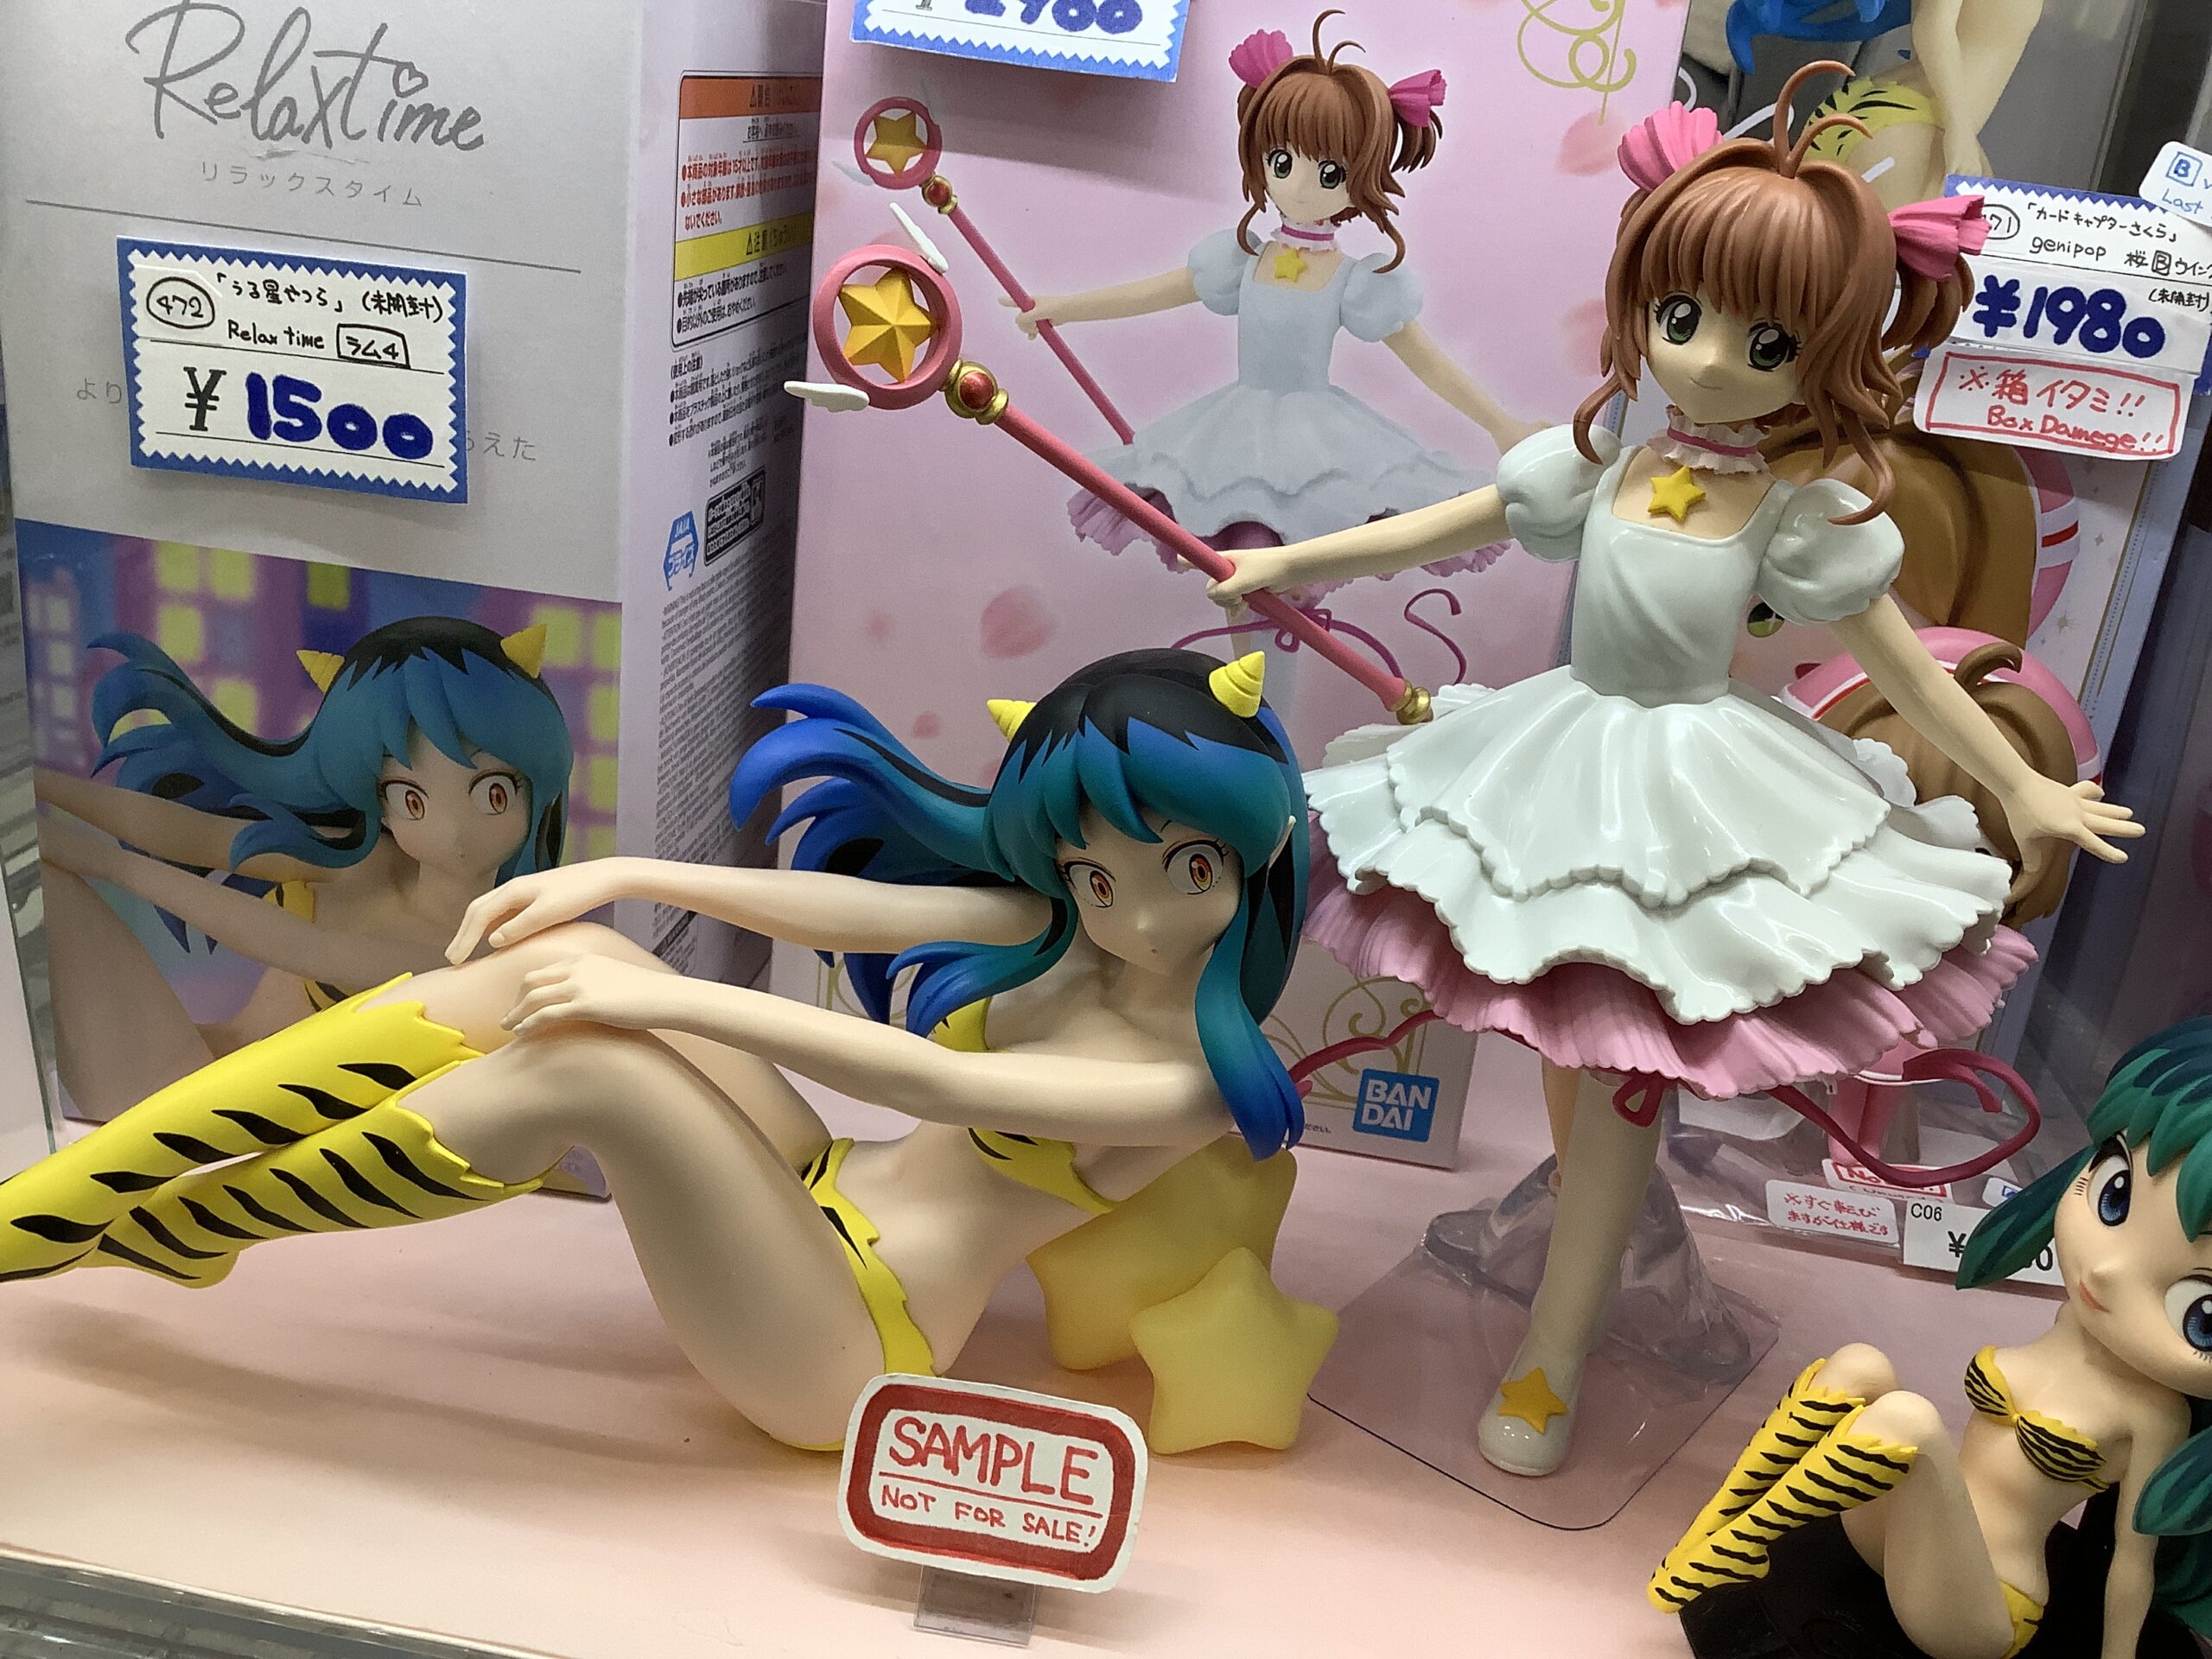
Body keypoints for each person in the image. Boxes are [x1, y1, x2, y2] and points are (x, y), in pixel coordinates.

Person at [1206, 68, 2139, 1476]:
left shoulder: (1804, 514)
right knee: (1579, 1042)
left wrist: (2021, 788)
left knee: (1632, 1075)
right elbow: (1442, 527)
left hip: (1702, 790)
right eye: (1680, 318)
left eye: (1765, 341)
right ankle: (1587, 1247)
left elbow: (1907, 670)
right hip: (1563, 756)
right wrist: (1287, 562)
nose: (1705, 363)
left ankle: (1555, 1354)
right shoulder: (1602, 463)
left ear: (1823, 353)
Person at [0, 650, 1309, 1452]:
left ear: (1256, 859)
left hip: (854, 1336)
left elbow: (945, 1081)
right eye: (1097, 872)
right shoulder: (1069, 933)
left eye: (1187, 870)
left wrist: (682, 1007)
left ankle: (134, 1226)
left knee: (599, 1057)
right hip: (820, 1188)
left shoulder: (1203, 1080)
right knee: (576, 963)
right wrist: (623, 879)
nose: (1136, 915)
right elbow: (847, 911)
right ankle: (105, 1200)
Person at [1655, 1019, 2212, 1659]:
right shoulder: (2070, 1323)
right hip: (1897, 1538)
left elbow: (2132, 1567)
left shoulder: (2156, 1416)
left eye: (2201, 1308)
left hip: (1981, 1603)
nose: (2108, 1273)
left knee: (1912, 1422)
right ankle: (1713, 1543)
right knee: (1861, 1366)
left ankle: (1728, 1552)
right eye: (2114, 1194)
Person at [34, 617, 571, 1120]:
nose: (453, 831)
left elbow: (302, 947)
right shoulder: (366, 860)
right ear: (380, 802)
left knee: (43, 883)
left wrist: (104, 862)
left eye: (493, 794)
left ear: (537, 787)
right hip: (205, 1075)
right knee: (37, 876)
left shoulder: (488, 951)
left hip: (228, 1133)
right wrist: (33, 785)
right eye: (412, 800)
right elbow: (202, 836)